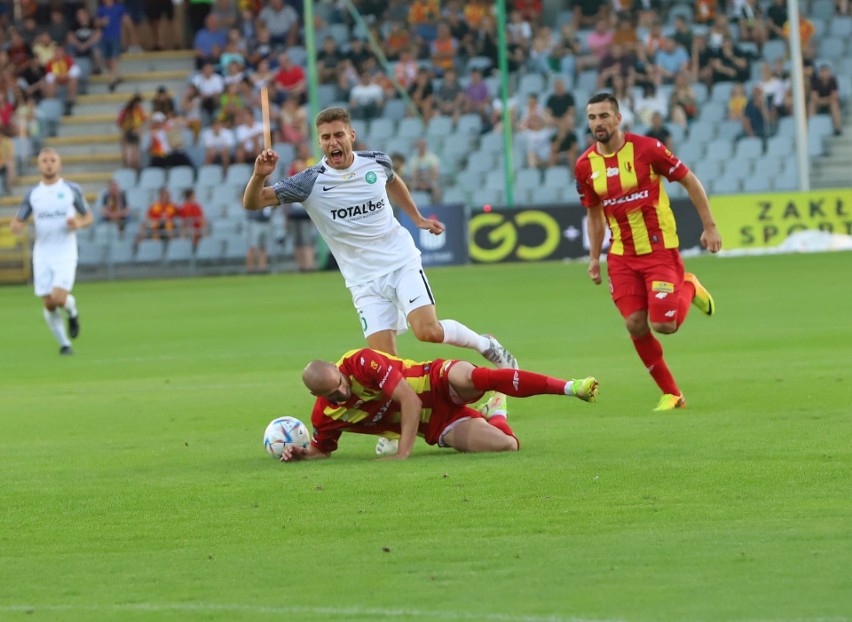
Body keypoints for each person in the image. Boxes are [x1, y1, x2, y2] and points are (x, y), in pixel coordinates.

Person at [243, 107, 520, 370]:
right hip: (362, 280)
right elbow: (253, 203)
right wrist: (258, 176)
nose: (333, 142)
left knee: (428, 332)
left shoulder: (376, 161)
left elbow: (393, 180)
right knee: (388, 365)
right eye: (326, 137)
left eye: (338, 135)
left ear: (351, 136)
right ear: (319, 142)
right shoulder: (308, 182)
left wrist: (417, 218)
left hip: (400, 262)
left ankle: (486, 344)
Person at [574, 93, 722, 411]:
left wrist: (709, 226)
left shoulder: (648, 149)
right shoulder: (585, 166)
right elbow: (594, 214)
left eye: (603, 116)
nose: (597, 123)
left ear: (618, 118)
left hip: (659, 250)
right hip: (621, 256)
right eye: (592, 117)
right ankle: (672, 393)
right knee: (635, 324)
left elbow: (690, 181)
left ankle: (688, 285)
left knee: (665, 325)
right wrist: (593, 259)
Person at [279, 348, 600, 462]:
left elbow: (409, 400)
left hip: (436, 379)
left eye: (339, 385)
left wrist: (403, 453)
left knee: (477, 377)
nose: (341, 393)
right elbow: (323, 449)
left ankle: (571, 387)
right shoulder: (326, 415)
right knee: (507, 446)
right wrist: (301, 454)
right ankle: (497, 411)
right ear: (317, 397)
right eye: (332, 395)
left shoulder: (361, 361)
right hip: (438, 425)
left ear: (337, 371)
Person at [10, 148, 92, 355]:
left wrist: (78, 223)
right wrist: (17, 226)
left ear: (59, 164)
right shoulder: (33, 194)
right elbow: (19, 219)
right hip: (42, 252)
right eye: (44, 160)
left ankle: (72, 312)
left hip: (65, 251)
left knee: (58, 297)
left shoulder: (71, 189)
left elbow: (88, 217)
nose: (49, 164)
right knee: (48, 303)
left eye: (52, 160)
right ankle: (65, 344)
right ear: (39, 165)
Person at [245, 205, 274, 273]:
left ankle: (262, 269)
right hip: (255, 221)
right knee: (252, 247)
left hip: (266, 221)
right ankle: (250, 270)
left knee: (263, 247)